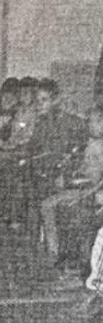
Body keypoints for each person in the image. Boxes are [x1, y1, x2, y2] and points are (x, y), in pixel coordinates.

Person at [40, 106, 103, 263]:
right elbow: (82, 166)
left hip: (87, 189)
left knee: (48, 205)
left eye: (95, 122)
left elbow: (96, 177)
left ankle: (54, 251)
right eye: (89, 121)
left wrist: (89, 189)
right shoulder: (89, 142)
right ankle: (55, 248)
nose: (90, 125)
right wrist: (68, 172)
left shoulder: (100, 146)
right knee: (49, 195)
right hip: (79, 185)